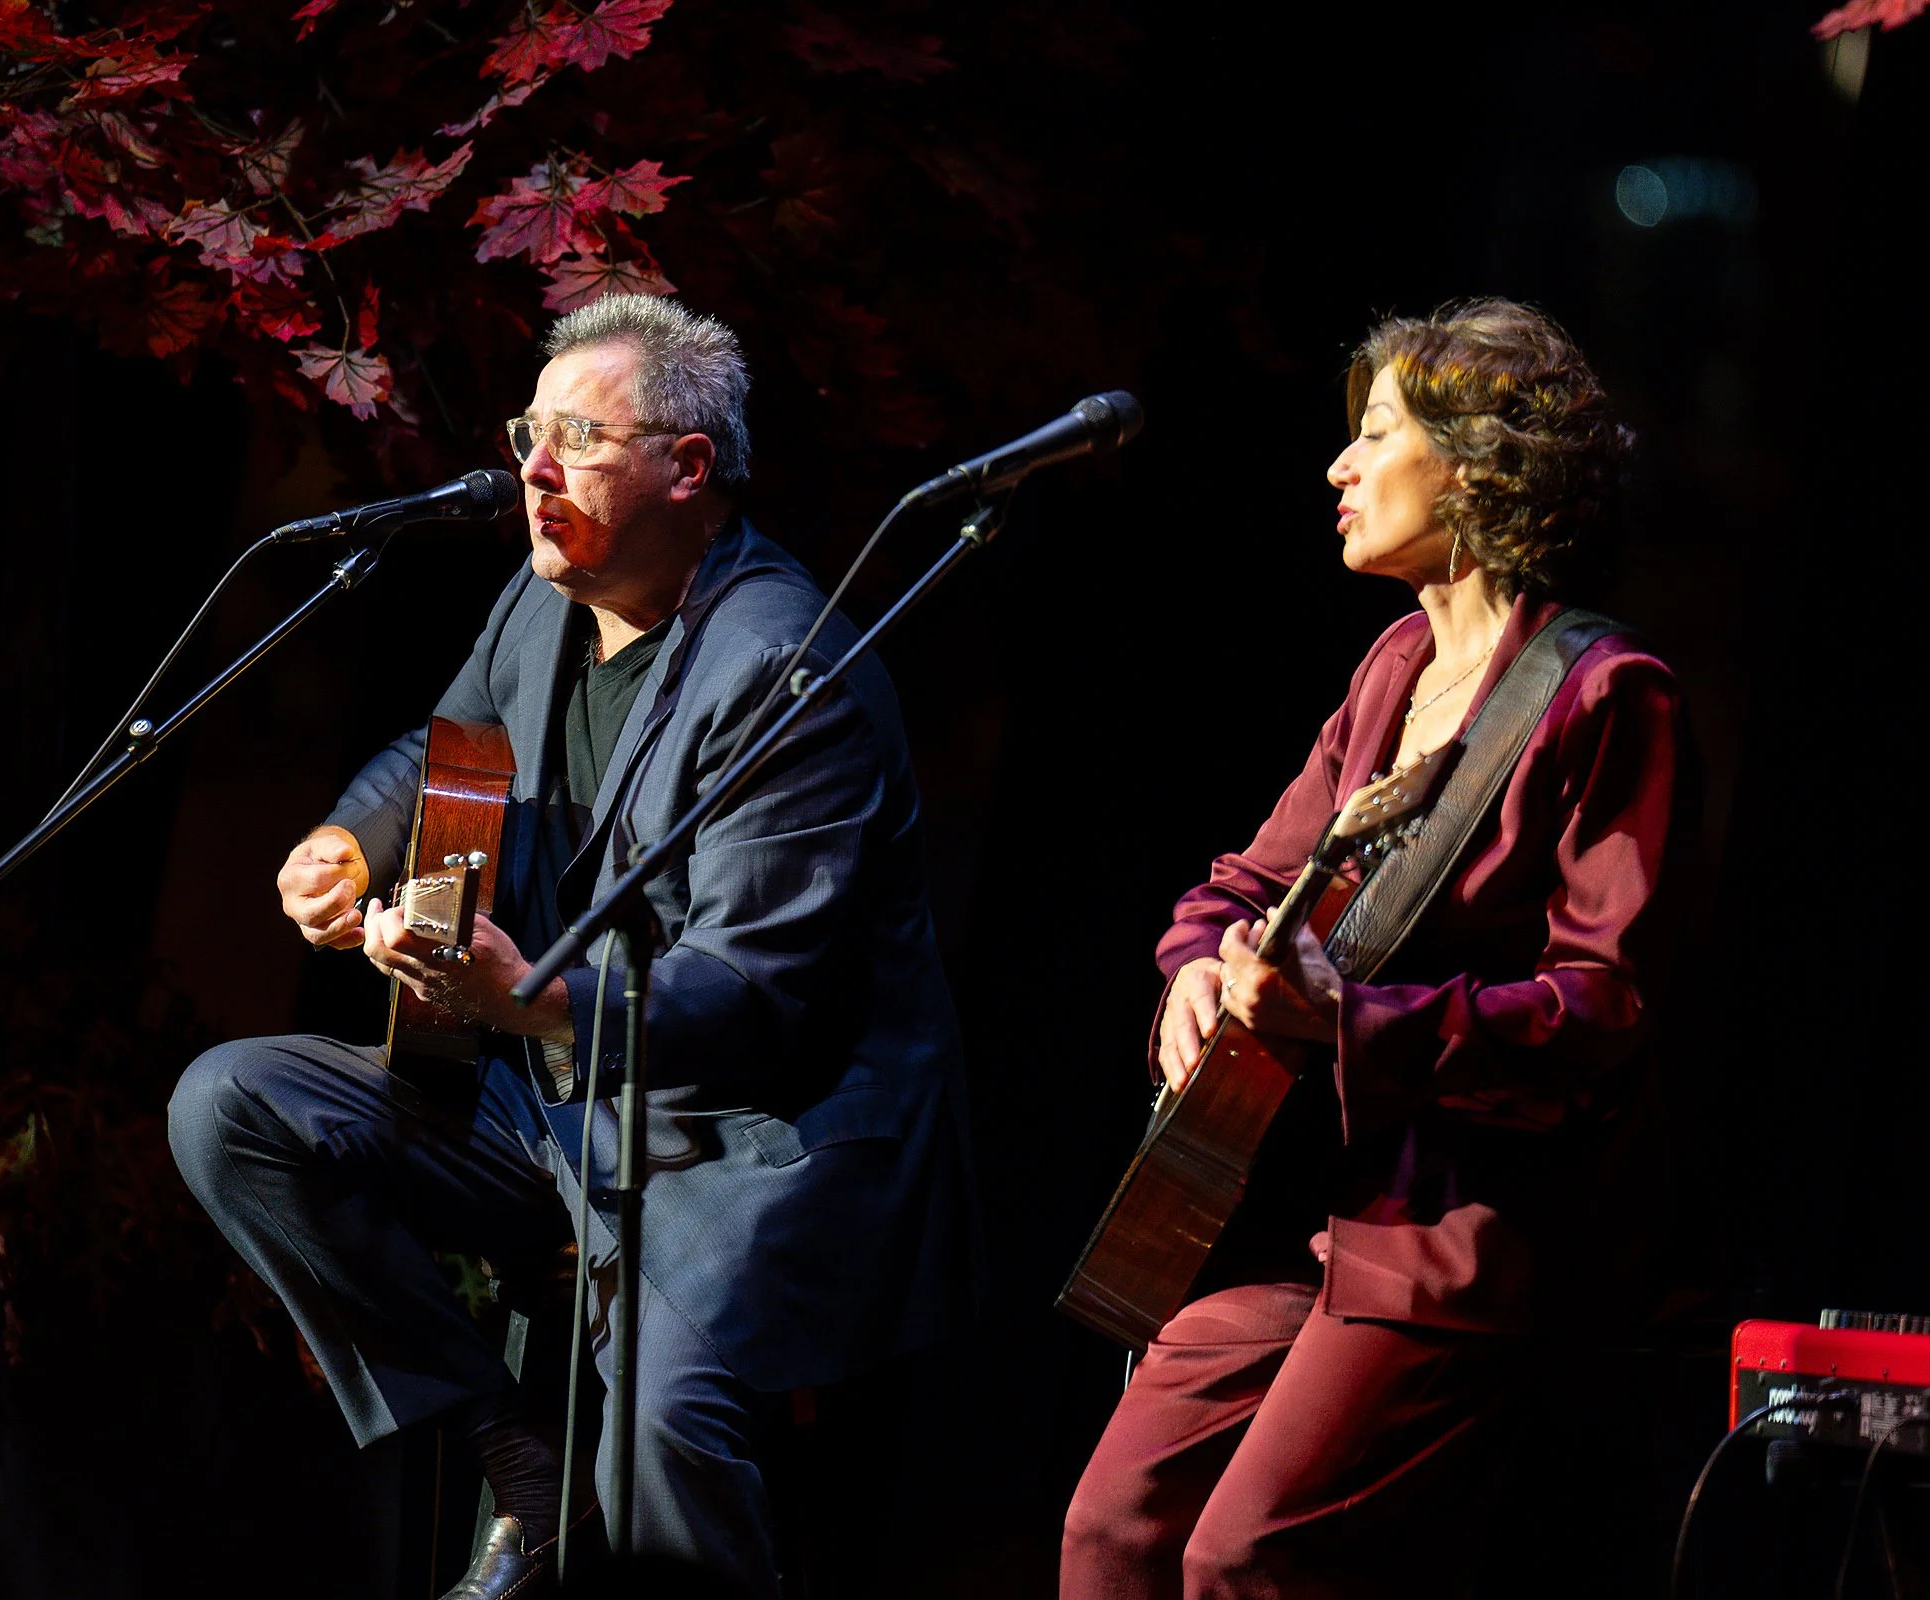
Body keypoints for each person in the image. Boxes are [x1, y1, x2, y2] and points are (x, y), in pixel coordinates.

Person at [168, 294, 978, 1599]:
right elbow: (450, 751)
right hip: (558, 1105)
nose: (533, 471)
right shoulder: (545, 601)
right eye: (528, 434)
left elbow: (755, 1005)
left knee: (665, 1427)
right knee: (235, 1106)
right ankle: (516, 1459)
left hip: (751, 1138)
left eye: (578, 437)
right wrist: (348, 841)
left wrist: (534, 1004)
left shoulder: (783, 674)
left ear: (688, 467)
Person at [1059, 299, 1689, 1598]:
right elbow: (1239, 889)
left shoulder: (1606, 694)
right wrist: (1195, 973)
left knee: (1245, 1560)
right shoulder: (1396, 664)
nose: (1340, 468)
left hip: (1437, 1237)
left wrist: (1347, 1021)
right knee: (1111, 1531)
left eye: (1379, 435)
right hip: (1283, 1197)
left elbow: (1606, 1008)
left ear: (1477, 465)